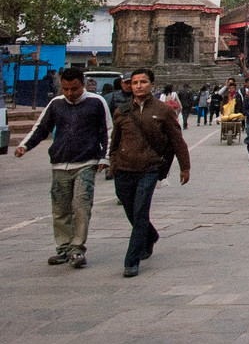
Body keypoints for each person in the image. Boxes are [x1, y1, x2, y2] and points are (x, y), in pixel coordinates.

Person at [14, 66, 113, 268]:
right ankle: (63, 248)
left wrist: (105, 158)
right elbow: (41, 128)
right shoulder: (56, 104)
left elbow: (107, 131)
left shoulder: (96, 102)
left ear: (82, 84)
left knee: (81, 207)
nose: (69, 93)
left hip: (86, 163)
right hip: (59, 164)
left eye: (74, 88)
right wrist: (25, 146)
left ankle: (77, 249)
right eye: (65, 89)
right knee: (60, 210)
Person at [109, 68, 191, 278]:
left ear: (151, 84)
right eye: (135, 82)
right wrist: (112, 162)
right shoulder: (122, 110)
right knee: (128, 206)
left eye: (143, 82)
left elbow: (176, 139)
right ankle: (151, 234)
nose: (138, 86)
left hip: (149, 167)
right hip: (124, 168)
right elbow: (115, 141)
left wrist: (185, 166)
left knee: (140, 211)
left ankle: (131, 260)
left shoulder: (163, 110)